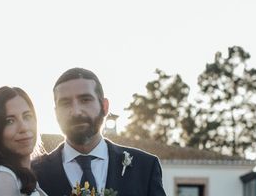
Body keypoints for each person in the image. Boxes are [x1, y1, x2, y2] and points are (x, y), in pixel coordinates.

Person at [33, 68, 167, 196]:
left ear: (104, 106)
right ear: (55, 113)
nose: (76, 111)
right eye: (65, 103)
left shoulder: (145, 166)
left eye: (85, 100)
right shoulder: (34, 173)